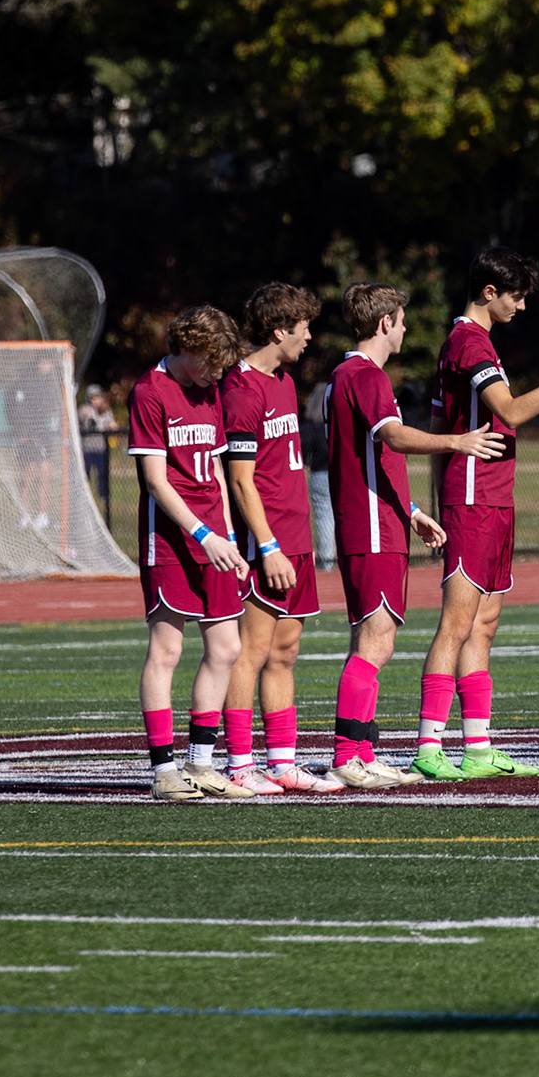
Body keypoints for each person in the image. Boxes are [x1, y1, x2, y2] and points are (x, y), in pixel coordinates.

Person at [411, 246, 539, 781]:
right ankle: (429, 745)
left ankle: (477, 745)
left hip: (494, 498)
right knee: (456, 624)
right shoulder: (467, 342)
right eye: (515, 297)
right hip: (472, 500)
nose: (521, 307)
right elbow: (512, 411)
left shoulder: (478, 342)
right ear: (489, 293)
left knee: (485, 625)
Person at [325, 281, 505, 788]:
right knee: (376, 643)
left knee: (370, 638)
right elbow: (394, 438)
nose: (404, 329)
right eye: (401, 321)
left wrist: (411, 510)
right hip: (371, 528)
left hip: (378, 520)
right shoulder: (365, 375)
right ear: (385, 324)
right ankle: (349, 755)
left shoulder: (345, 376)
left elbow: (368, 459)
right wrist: (457, 441)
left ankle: (358, 751)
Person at [126, 306, 254, 800]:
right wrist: (205, 535)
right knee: (168, 649)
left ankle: (202, 763)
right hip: (172, 541)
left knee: (226, 648)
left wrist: (229, 537)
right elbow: (156, 482)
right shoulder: (148, 391)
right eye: (212, 362)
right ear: (187, 348)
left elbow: (217, 472)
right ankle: (164, 770)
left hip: (214, 540)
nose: (219, 373)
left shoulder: (211, 390)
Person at [220, 282, 341, 794]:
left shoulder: (285, 383)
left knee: (286, 651)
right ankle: (239, 764)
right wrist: (266, 546)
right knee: (250, 650)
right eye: (303, 327)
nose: (309, 336)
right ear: (278, 330)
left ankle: (282, 761)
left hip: (296, 538)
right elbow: (241, 478)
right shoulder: (241, 389)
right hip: (264, 543)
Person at [301, 382, 336, 569]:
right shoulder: (335, 424)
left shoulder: (311, 427)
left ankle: (327, 561)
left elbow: (304, 451)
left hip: (320, 474)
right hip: (340, 474)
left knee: (323, 518)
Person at [79, 384, 118, 517]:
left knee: (102, 475)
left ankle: (104, 498)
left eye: (98, 397)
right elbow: (85, 416)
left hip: (101, 448)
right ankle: (84, 498)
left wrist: (112, 425)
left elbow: (111, 424)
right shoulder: (85, 409)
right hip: (88, 449)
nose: (96, 400)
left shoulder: (106, 410)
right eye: (93, 397)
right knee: (86, 475)